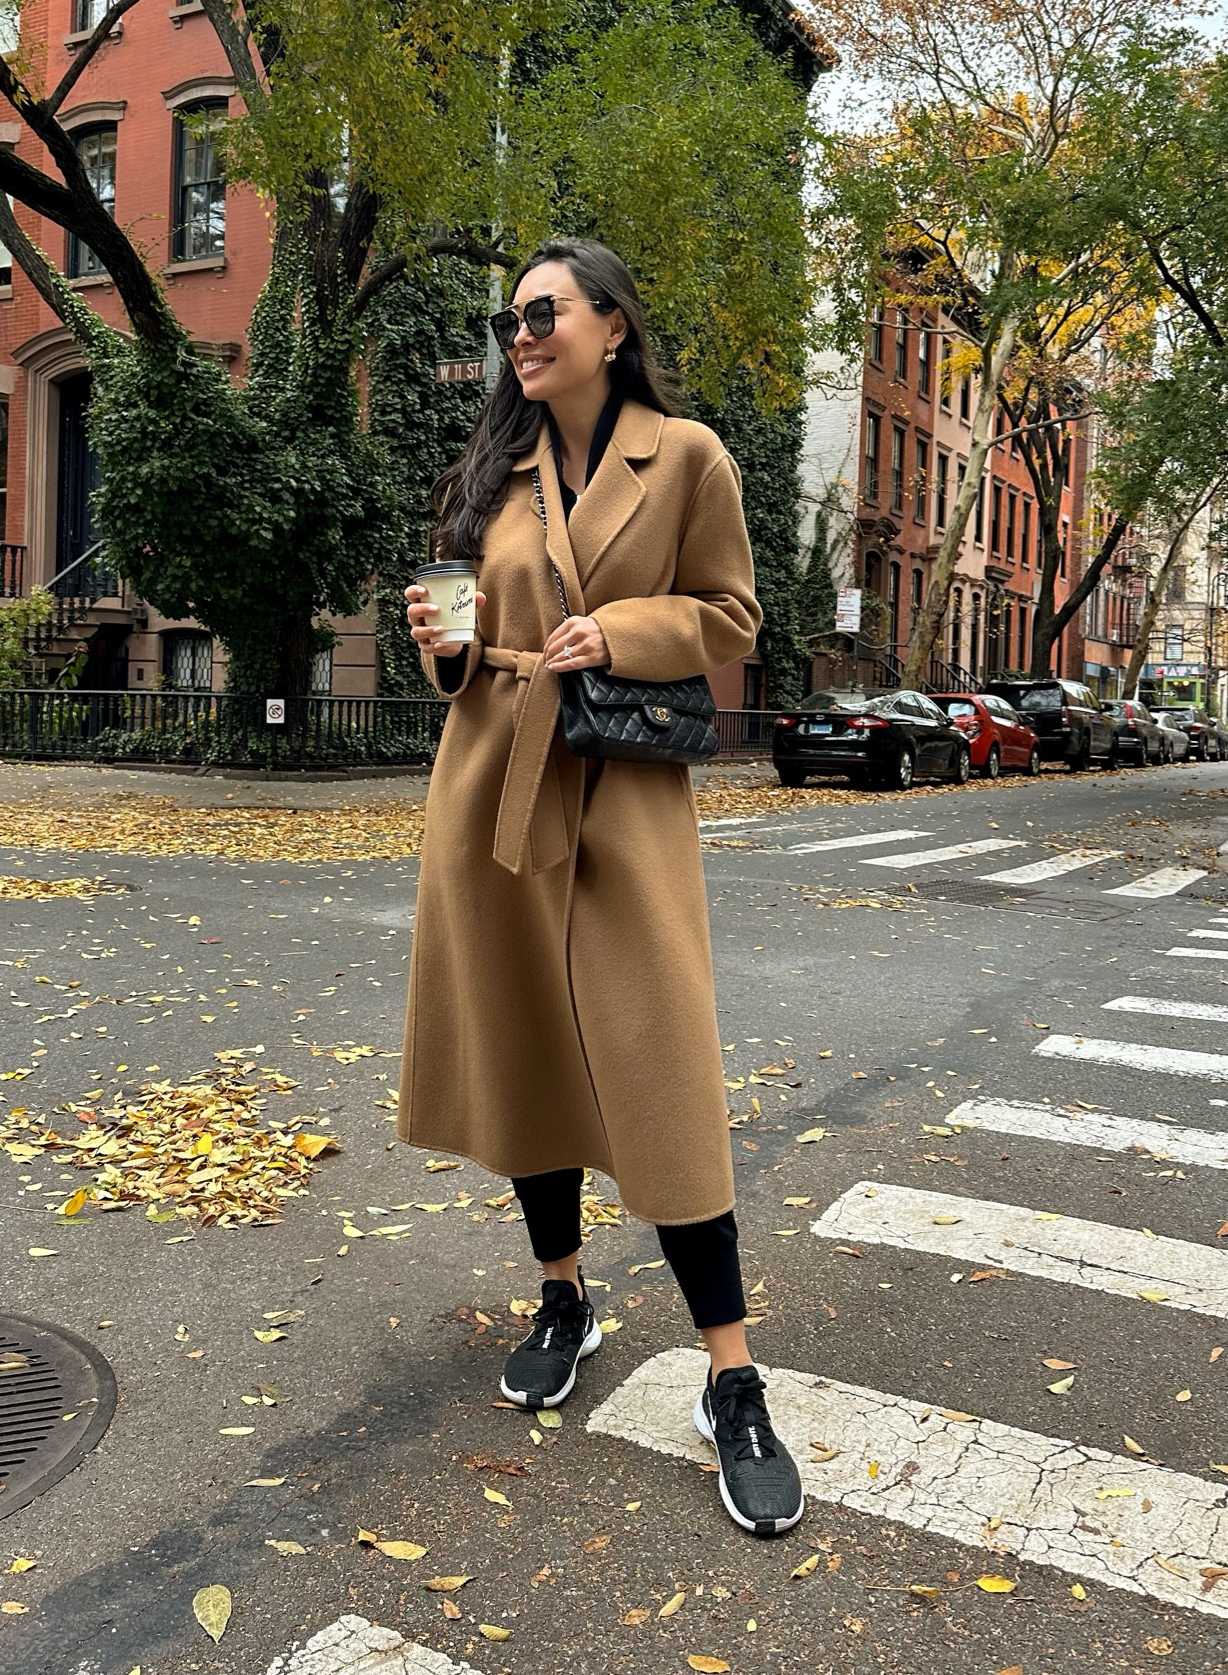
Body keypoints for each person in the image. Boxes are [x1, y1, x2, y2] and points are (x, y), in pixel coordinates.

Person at [399, 237, 804, 1539]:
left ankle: (731, 1378)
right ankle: (563, 1296)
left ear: (613, 324)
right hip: (493, 793)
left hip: (623, 800)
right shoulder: (487, 475)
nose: (521, 333)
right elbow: (454, 653)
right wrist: (441, 646)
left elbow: (733, 616)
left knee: (663, 1069)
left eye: (543, 311)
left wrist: (616, 631)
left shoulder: (688, 459)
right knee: (526, 1060)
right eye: (509, 317)